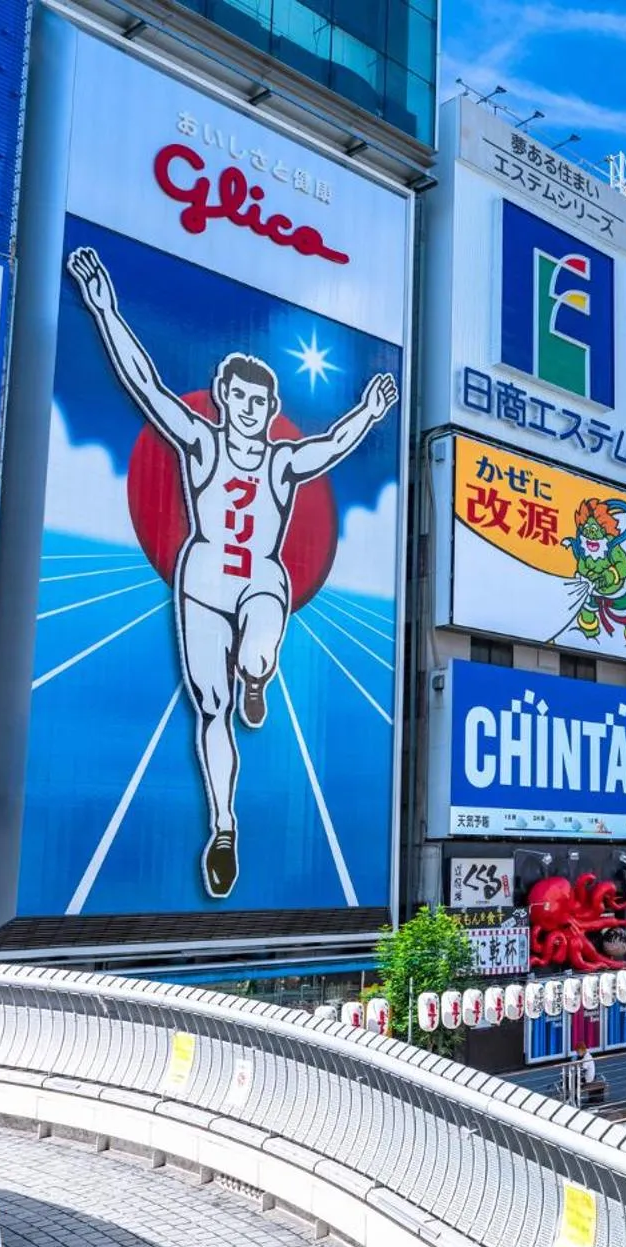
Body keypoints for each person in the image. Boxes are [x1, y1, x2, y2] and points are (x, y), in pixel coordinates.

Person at [65, 246, 398, 899]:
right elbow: (145, 385)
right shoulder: (200, 441)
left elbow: (328, 447)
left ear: (271, 407)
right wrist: (104, 310)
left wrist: (369, 412)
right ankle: (223, 826)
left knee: (262, 633)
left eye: (259, 400)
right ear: (223, 398)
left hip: (259, 580)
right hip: (202, 579)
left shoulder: (278, 461)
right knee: (209, 709)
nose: (248, 408)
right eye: (239, 397)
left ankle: (258, 672)